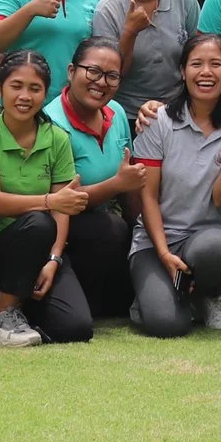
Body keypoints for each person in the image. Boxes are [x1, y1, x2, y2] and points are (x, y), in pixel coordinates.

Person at [0, 49, 92, 347]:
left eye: (35, 89)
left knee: (76, 328)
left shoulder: (56, 137)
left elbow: (64, 208)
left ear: (46, 93)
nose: (24, 96)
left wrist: (54, 260)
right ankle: (3, 313)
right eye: (16, 86)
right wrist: (48, 203)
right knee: (40, 221)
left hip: (40, 252)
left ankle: (19, 302)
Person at [126, 34, 221, 336]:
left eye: (215, 64)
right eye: (196, 64)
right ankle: (157, 299)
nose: (205, 72)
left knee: (218, 247)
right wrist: (164, 253)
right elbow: (148, 198)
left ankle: (208, 295)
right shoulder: (158, 121)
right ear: (183, 72)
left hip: (206, 239)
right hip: (156, 241)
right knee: (167, 325)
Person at [46, 38, 144, 320]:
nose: (101, 82)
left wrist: (144, 232)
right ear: (71, 71)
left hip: (108, 230)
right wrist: (116, 185)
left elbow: (130, 183)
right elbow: (60, 200)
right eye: (93, 71)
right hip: (58, 227)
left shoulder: (117, 114)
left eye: (112, 76)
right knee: (109, 228)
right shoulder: (51, 123)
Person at [93, 0, 201, 123]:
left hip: (179, 110)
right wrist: (130, 32)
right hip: (126, 115)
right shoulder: (108, 9)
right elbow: (112, 74)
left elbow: (197, 54)